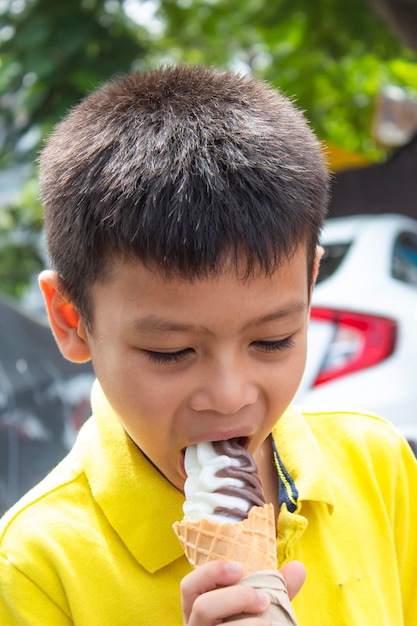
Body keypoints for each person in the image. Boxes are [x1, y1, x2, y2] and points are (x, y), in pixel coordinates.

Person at [0, 65, 416, 626]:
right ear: (72, 320)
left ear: (310, 289)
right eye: (170, 353)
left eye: (272, 340)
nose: (227, 396)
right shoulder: (33, 565)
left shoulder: (378, 464)